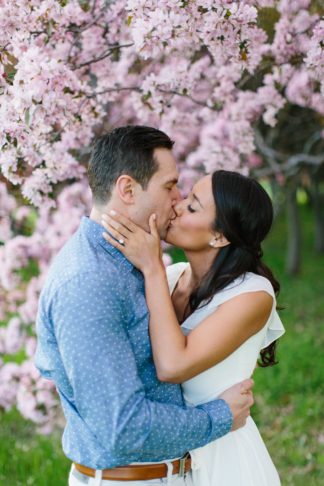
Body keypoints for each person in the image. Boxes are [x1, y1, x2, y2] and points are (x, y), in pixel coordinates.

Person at [35, 126, 254, 486]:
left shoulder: (130, 262)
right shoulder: (90, 283)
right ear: (127, 189)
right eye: (169, 186)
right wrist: (221, 416)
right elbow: (123, 429)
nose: (178, 198)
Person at [101, 169, 285, 486]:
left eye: (193, 205)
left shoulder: (253, 296)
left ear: (220, 236)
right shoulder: (173, 279)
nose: (176, 205)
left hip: (220, 461)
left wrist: (152, 267)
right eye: (185, 196)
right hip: (162, 457)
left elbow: (173, 366)